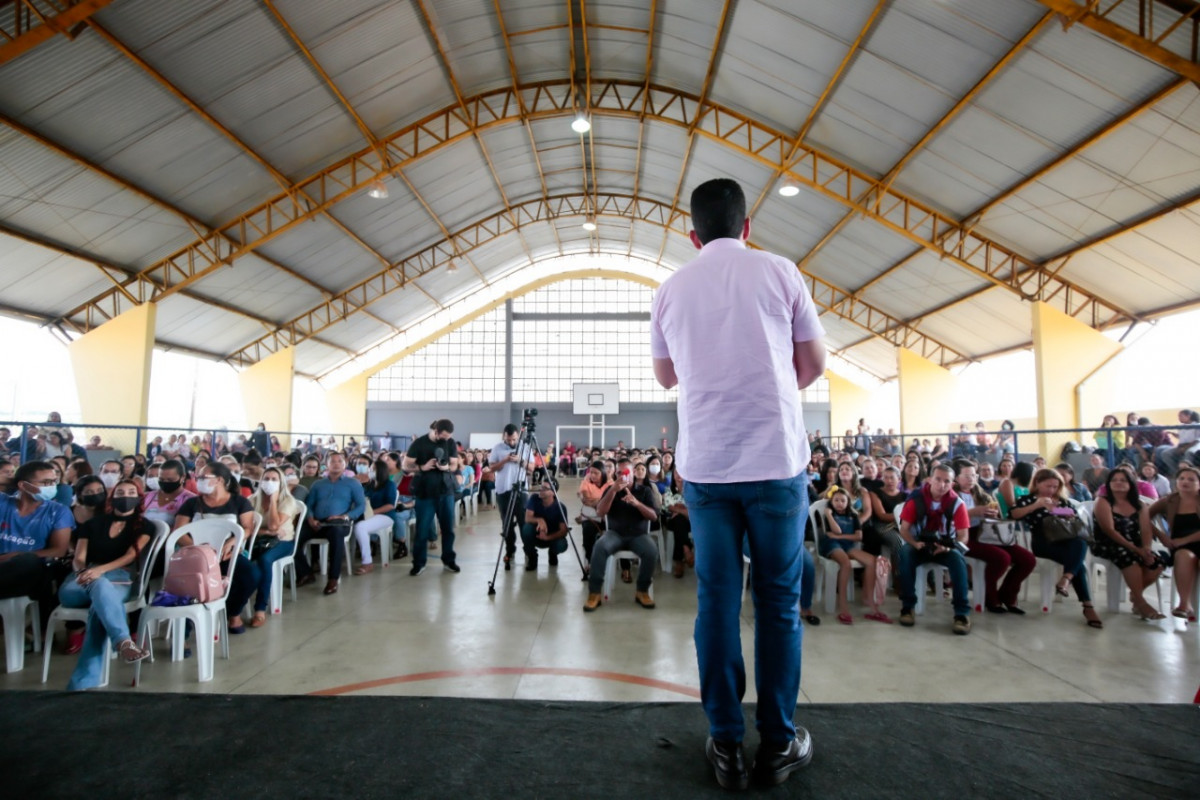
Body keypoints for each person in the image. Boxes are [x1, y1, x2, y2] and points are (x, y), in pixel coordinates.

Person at [650, 178, 824, 789]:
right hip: (776, 461)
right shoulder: (780, 271)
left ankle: (725, 744)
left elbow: (666, 377)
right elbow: (813, 365)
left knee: (717, 601)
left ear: (693, 235)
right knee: (778, 603)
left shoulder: (670, 289)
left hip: (706, 467)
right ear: (747, 227)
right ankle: (778, 744)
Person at [60, 479, 152, 689]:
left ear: (139, 498)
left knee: (100, 603)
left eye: (131, 492)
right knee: (100, 589)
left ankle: (82, 682)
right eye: (120, 492)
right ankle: (123, 641)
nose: (125, 496)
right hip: (81, 580)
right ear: (112, 497)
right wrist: (84, 572)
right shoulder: (93, 524)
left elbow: (130, 556)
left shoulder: (143, 525)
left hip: (118, 577)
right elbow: (79, 557)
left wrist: (100, 571)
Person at [174, 462, 260, 634]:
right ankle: (184, 630)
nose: (198, 480)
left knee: (252, 575)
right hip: (196, 557)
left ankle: (232, 611)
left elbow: (247, 529)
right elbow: (178, 531)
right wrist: (201, 551)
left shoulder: (239, 502)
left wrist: (232, 543)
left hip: (226, 555)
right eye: (197, 477)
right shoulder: (192, 503)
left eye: (203, 477)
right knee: (185, 582)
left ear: (219, 480)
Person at [1010, 468, 1102, 629]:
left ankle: (1066, 579)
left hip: (1065, 540)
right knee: (1077, 564)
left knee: (1080, 544)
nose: (1051, 490)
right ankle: (1087, 606)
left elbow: (1074, 514)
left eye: (1055, 486)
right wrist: (1036, 505)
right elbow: (1013, 514)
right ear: (1037, 483)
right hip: (1042, 543)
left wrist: (1058, 510)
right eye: (1048, 486)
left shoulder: (1061, 500)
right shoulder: (1027, 499)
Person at [896, 464, 973, 635]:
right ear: (930, 480)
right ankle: (908, 606)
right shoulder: (916, 500)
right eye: (938, 479)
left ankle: (961, 613)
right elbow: (904, 530)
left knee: (958, 560)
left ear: (953, 484)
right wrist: (915, 544)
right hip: (919, 544)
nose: (942, 484)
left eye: (947, 481)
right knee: (905, 554)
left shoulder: (957, 504)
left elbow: (963, 536)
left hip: (945, 546)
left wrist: (947, 547)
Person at [955, 461, 1033, 614]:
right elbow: (947, 521)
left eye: (973, 475)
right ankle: (990, 596)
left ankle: (1007, 594)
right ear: (957, 478)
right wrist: (972, 513)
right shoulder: (951, 494)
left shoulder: (981, 494)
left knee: (1027, 559)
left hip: (986, 532)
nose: (971, 479)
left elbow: (993, 515)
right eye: (966, 476)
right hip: (962, 536)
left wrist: (993, 514)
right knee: (1001, 558)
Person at [0, 461, 73, 624]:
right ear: (23, 485)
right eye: (45, 483)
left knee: (28, 561)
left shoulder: (58, 511)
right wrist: (11, 480)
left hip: (27, 570)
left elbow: (59, 550)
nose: (51, 486)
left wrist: (14, 555)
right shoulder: (3, 502)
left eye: (54, 481)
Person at [1091, 467, 1167, 619]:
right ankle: (1142, 603)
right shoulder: (1103, 501)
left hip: (1134, 542)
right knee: (1130, 558)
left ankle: (1135, 596)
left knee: (1157, 562)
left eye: (1123, 480)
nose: (1118, 483)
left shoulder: (1139, 504)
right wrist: (1137, 550)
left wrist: (1146, 549)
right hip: (1108, 542)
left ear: (1131, 484)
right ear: (1109, 484)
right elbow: (1109, 530)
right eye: (1114, 480)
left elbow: (1146, 529)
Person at [586, 459, 659, 609]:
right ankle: (594, 593)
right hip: (615, 534)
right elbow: (600, 512)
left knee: (651, 550)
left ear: (633, 473)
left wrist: (637, 503)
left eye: (625, 472)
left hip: (638, 535)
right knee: (599, 547)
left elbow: (653, 516)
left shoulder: (645, 490)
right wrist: (613, 491)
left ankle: (642, 591)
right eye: (619, 473)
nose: (622, 476)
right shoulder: (610, 489)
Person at [294, 452, 365, 593]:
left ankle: (333, 578)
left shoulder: (353, 483)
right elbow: (309, 505)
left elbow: (361, 506)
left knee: (336, 535)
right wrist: (310, 518)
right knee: (293, 539)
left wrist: (345, 516)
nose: (336, 464)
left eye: (340, 461)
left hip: (339, 522)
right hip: (316, 522)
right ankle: (305, 573)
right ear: (326, 465)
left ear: (345, 464)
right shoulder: (318, 484)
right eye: (333, 461)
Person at [820, 488, 889, 624]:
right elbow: (836, 531)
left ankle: (870, 602)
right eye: (836, 500)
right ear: (831, 502)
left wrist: (840, 537)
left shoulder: (853, 516)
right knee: (845, 563)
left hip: (847, 545)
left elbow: (858, 537)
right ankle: (843, 606)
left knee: (872, 561)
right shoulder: (830, 514)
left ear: (848, 502)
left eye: (843, 500)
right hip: (832, 545)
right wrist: (828, 515)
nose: (839, 503)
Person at [402, 420, 461, 576]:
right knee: (422, 530)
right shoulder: (419, 443)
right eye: (443, 437)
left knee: (448, 529)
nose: (446, 440)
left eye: (448, 437)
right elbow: (405, 465)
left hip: (445, 492)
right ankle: (419, 563)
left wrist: (446, 467)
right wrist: (422, 467)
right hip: (425, 493)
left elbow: (454, 464)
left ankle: (449, 560)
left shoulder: (450, 443)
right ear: (435, 431)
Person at [247, 466, 300, 626]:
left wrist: (272, 501)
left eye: (274, 480)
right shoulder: (252, 500)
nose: (269, 482)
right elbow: (247, 528)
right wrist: (264, 532)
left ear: (281, 483)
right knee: (242, 562)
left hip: (283, 542)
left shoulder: (287, 501)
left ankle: (260, 609)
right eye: (266, 479)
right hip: (257, 541)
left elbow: (274, 526)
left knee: (265, 560)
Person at [1148, 464, 1200, 621]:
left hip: (1192, 540)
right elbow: (1143, 517)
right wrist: (1161, 536)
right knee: (1183, 556)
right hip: (1180, 546)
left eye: (1191, 479)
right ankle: (1184, 605)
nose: (1185, 482)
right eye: (1181, 478)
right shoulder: (1169, 500)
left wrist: (1184, 540)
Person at [488, 424, 533, 569]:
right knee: (507, 524)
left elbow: (532, 468)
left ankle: (528, 551)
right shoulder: (497, 448)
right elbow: (492, 468)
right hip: (503, 490)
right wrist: (505, 460)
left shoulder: (525, 447)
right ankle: (510, 550)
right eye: (509, 439)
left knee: (524, 523)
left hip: (521, 491)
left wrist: (520, 461)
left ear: (518, 436)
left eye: (514, 439)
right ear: (504, 436)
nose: (512, 442)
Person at [352, 458, 397, 575]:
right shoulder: (370, 485)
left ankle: (367, 562)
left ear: (380, 471)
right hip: (369, 515)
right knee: (351, 523)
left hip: (385, 516)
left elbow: (390, 505)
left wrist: (372, 512)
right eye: (370, 469)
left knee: (360, 527)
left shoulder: (389, 485)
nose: (370, 471)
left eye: (373, 469)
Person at [520, 481, 569, 571]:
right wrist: (540, 520)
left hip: (552, 538)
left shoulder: (561, 507)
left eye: (545, 488)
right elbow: (527, 518)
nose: (541, 490)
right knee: (526, 529)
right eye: (541, 487)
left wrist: (547, 537)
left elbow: (563, 531)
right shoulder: (534, 498)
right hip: (537, 535)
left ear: (553, 493)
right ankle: (532, 557)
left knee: (561, 544)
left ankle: (553, 553)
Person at [141, 459, 196, 528]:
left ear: (183, 477)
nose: (165, 482)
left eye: (170, 480)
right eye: (161, 479)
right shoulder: (147, 496)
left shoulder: (191, 499)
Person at [1155, 409, 1200, 478]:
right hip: (1182, 445)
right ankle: (1177, 472)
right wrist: (1173, 434)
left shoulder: (1197, 425)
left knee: (1189, 452)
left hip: (1195, 445)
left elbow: (1197, 439)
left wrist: (1186, 447)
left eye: (1181, 416)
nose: (1179, 418)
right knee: (1165, 453)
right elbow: (1182, 437)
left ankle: (1192, 472)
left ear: (1188, 416)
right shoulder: (1181, 426)